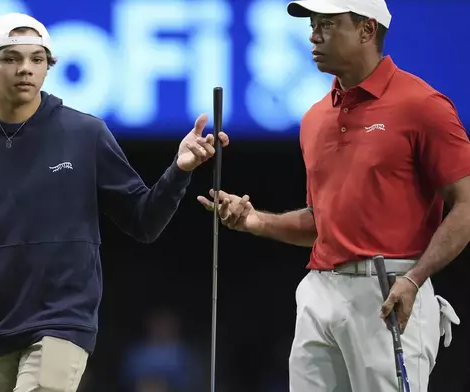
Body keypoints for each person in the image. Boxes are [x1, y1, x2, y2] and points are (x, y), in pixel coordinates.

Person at [0, 12, 229, 392]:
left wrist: (179, 170)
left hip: (62, 321)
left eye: (37, 59)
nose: (26, 69)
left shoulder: (85, 134)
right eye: (12, 59)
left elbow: (143, 221)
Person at [199, 0, 468, 391]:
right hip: (319, 292)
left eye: (327, 24)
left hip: (390, 293)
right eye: (313, 24)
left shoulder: (423, 106)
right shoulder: (315, 119)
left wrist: (414, 279)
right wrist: (255, 220)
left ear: (367, 29)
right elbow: (322, 222)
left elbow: (466, 205)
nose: (313, 35)